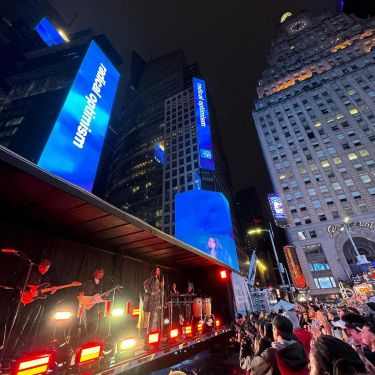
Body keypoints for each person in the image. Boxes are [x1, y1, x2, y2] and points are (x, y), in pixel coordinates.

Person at [2, 259, 56, 362]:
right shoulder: (31, 272)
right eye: (43, 267)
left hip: (35, 305)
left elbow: (44, 294)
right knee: (17, 328)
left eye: (47, 268)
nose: (44, 269)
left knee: (28, 329)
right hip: (24, 302)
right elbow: (19, 285)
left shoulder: (47, 278)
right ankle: (6, 355)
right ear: (40, 265)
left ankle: (17, 354)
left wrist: (52, 291)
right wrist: (29, 290)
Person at [77, 267, 106, 340]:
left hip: (95, 304)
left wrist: (104, 295)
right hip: (87, 303)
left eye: (103, 273)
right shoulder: (88, 280)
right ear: (97, 273)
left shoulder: (101, 283)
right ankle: (83, 337)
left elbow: (99, 294)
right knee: (85, 320)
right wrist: (82, 295)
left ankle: (92, 337)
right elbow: (81, 290)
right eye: (101, 272)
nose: (103, 274)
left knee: (94, 320)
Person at [143, 266, 164, 333]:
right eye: (157, 270)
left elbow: (158, 289)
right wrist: (150, 292)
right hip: (153, 300)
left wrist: (161, 286)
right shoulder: (152, 278)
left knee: (155, 316)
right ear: (155, 271)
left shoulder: (157, 278)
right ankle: (150, 332)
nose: (159, 271)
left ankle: (154, 331)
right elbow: (145, 284)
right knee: (153, 316)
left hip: (157, 300)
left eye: (159, 270)